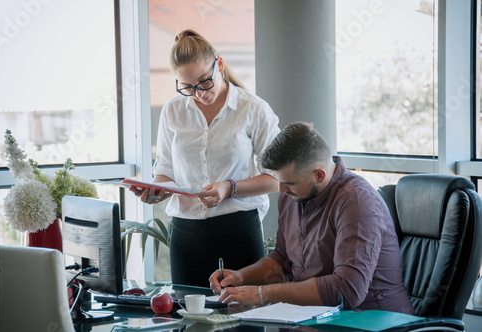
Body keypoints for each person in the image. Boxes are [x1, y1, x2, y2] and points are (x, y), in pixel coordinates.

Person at [209, 122, 415, 314]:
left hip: (372, 320)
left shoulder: (357, 202)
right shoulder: (292, 195)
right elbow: (283, 259)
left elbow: (347, 290)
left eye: (289, 182)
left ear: (319, 175)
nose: (281, 189)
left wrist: (263, 293)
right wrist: (242, 277)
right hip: (315, 317)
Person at [130, 29, 280, 287]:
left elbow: (277, 178)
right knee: (187, 320)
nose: (199, 93)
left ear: (218, 65)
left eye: (204, 82)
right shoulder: (173, 111)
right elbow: (165, 169)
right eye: (188, 87)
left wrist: (229, 188)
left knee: (242, 320)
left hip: (239, 231)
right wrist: (158, 189)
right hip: (186, 235)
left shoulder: (252, 108)